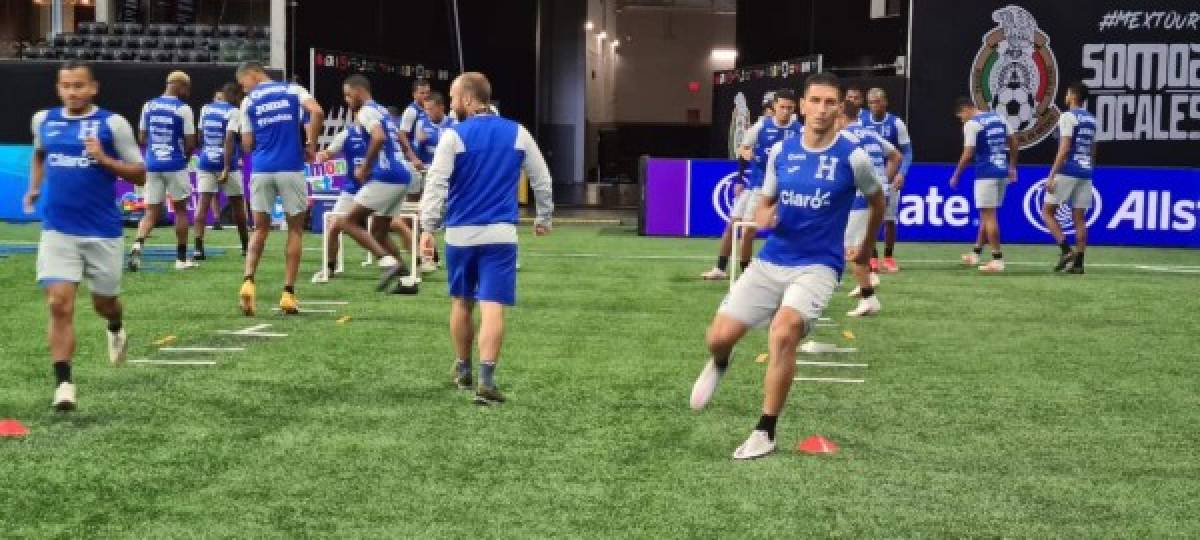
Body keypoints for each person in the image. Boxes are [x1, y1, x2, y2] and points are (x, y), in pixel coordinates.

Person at [689, 73, 885, 459]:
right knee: (718, 337)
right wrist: (763, 215)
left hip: (818, 266)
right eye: (816, 101)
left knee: (784, 332)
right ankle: (721, 361)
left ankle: (766, 430)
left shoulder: (853, 156)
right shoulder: (783, 152)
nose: (822, 109)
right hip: (773, 259)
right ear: (802, 105)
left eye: (831, 102)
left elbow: (877, 202)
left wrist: (864, 249)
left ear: (839, 108)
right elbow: (766, 201)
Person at [419, 72, 554, 406]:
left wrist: (427, 227)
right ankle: (487, 381)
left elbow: (436, 183)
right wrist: (544, 217)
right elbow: (542, 178)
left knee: (462, 301)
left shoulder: (453, 136)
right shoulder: (519, 132)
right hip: (501, 235)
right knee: (492, 306)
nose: (450, 105)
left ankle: (463, 369)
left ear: (468, 99)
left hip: (461, 234)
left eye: (452, 98)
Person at [24, 61, 146, 410]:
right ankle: (64, 384)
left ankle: (116, 324)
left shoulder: (112, 124)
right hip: (58, 229)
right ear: (58, 88)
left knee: (103, 304)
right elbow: (39, 154)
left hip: (102, 232)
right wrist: (35, 188)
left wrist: (104, 159)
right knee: (58, 303)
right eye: (66, 86)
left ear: (93, 87)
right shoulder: (43, 120)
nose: (72, 92)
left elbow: (140, 174)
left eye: (79, 85)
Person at [235, 61, 324, 315]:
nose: (244, 90)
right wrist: (311, 144)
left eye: (244, 84)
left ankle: (248, 281)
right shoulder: (293, 90)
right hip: (291, 168)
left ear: (253, 75)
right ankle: (288, 293)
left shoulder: (249, 103)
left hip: (262, 169)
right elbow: (317, 112)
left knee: (260, 229)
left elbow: (248, 144)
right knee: (295, 229)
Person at [700, 90, 800, 280]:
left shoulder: (798, 130)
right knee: (732, 225)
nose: (786, 111)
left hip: (774, 190)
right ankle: (720, 269)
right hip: (754, 184)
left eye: (790, 108)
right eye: (782, 107)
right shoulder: (762, 126)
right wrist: (745, 166)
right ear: (774, 107)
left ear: (795, 108)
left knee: (748, 231)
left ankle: (746, 273)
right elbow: (743, 148)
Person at [332, 75, 413, 291]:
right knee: (378, 231)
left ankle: (387, 263)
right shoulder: (382, 110)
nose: (347, 100)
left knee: (346, 222)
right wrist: (411, 156)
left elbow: (378, 137)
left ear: (359, 92)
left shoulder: (367, 110)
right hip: (402, 174)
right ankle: (407, 280)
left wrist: (365, 166)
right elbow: (398, 137)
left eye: (348, 95)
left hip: (387, 175)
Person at [130, 71, 197, 271]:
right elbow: (191, 142)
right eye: (186, 87)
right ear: (178, 85)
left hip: (152, 164)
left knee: (150, 212)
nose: (187, 92)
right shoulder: (183, 109)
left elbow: (141, 138)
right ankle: (181, 258)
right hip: (175, 164)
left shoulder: (148, 106)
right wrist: (183, 157)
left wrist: (156, 149)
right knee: (181, 211)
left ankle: (137, 245)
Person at [840, 101, 902, 317]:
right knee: (862, 243)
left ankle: (869, 297)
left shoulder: (844, 137)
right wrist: (886, 179)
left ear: (840, 114)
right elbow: (896, 156)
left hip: (861, 196)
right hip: (879, 194)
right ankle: (868, 277)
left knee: (852, 248)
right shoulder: (870, 134)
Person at [949, 97, 1018, 272]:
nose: (962, 120)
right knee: (986, 215)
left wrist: (957, 174)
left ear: (966, 110)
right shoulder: (999, 117)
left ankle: (997, 259)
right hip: (1002, 171)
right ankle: (976, 253)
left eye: (961, 117)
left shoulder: (972, 124)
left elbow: (968, 152)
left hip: (986, 173)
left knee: (989, 217)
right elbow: (1014, 141)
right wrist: (1012, 167)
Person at [1042, 82, 1096, 274]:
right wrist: (1089, 168)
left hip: (1068, 170)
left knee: (1047, 212)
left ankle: (1066, 251)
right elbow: (1092, 148)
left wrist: (1051, 176)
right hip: (1085, 171)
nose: (1064, 96)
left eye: (1066, 93)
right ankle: (1079, 263)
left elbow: (1064, 148)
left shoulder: (1067, 117)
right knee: (1079, 218)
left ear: (1072, 96)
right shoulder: (1091, 119)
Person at [311, 108, 368, 284]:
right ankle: (329, 266)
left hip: (376, 188)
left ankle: (417, 262)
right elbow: (329, 152)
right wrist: (322, 156)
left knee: (397, 223)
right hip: (352, 189)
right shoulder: (346, 135)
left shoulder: (381, 136)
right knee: (333, 224)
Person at [194, 83, 249, 259]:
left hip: (205, 160)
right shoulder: (233, 111)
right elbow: (229, 140)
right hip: (228, 164)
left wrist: (207, 151)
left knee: (203, 204)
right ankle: (246, 246)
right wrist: (225, 166)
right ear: (235, 96)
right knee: (238, 205)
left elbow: (200, 135)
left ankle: (198, 248)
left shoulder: (205, 109)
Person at [861, 88, 913, 273]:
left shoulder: (895, 123)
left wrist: (902, 173)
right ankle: (872, 257)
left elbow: (907, 152)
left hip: (889, 178)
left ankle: (889, 257)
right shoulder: (862, 121)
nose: (873, 105)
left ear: (885, 102)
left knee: (889, 219)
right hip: (866, 178)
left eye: (877, 101)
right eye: (870, 102)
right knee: (869, 219)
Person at [409, 91, 457, 272]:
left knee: (449, 218)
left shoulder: (454, 125)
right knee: (425, 215)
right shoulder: (421, 123)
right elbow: (415, 152)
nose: (427, 112)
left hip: (449, 177)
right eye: (425, 109)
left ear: (441, 108)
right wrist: (419, 144)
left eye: (430, 108)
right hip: (428, 176)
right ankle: (430, 258)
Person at [397, 78, 432, 170]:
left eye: (428, 92)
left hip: (429, 160)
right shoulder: (411, 111)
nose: (426, 95)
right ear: (414, 95)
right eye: (422, 93)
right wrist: (413, 158)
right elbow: (401, 135)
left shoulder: (430, 109)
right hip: (416, 162)